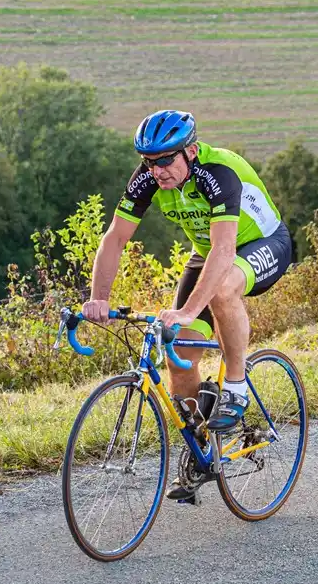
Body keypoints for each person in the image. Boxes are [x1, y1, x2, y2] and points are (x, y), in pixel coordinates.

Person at [80, 109, 292, 498]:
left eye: (165, 160)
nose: (157, 170)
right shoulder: (147, 179)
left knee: (223, 289)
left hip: (262, 244)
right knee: (178, 352)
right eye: (149, 161)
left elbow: (226, 250)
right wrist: (98, 298)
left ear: (190, 151)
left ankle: (236, 387)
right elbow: (114, 239)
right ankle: (200, 450)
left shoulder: (219, 173)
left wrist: (188, 310)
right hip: (207, 253)